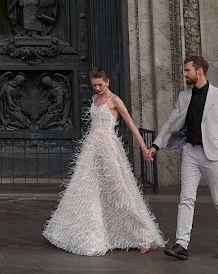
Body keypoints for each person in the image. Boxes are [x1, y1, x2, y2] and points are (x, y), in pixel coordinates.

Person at [43, 68, 164, 256]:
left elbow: (131, 125)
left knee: (120, 190)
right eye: (94, 85)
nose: (97, 88)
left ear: (107, 81)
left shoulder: (115, 100)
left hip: (108, 147)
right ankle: (90, 234)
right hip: (92, 148)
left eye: (100, 84)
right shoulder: (93, 100)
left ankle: (143, 235)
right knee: (87, 190)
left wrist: (144, 148)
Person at [148, 55, 218, 260]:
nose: (185, 74)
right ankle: (181, 245)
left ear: (199, 71)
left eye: (187, 71)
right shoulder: (184, 96)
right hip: (191, 152)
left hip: (215, 155)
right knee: (186, 198)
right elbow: (171, 121)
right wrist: (156, 144)